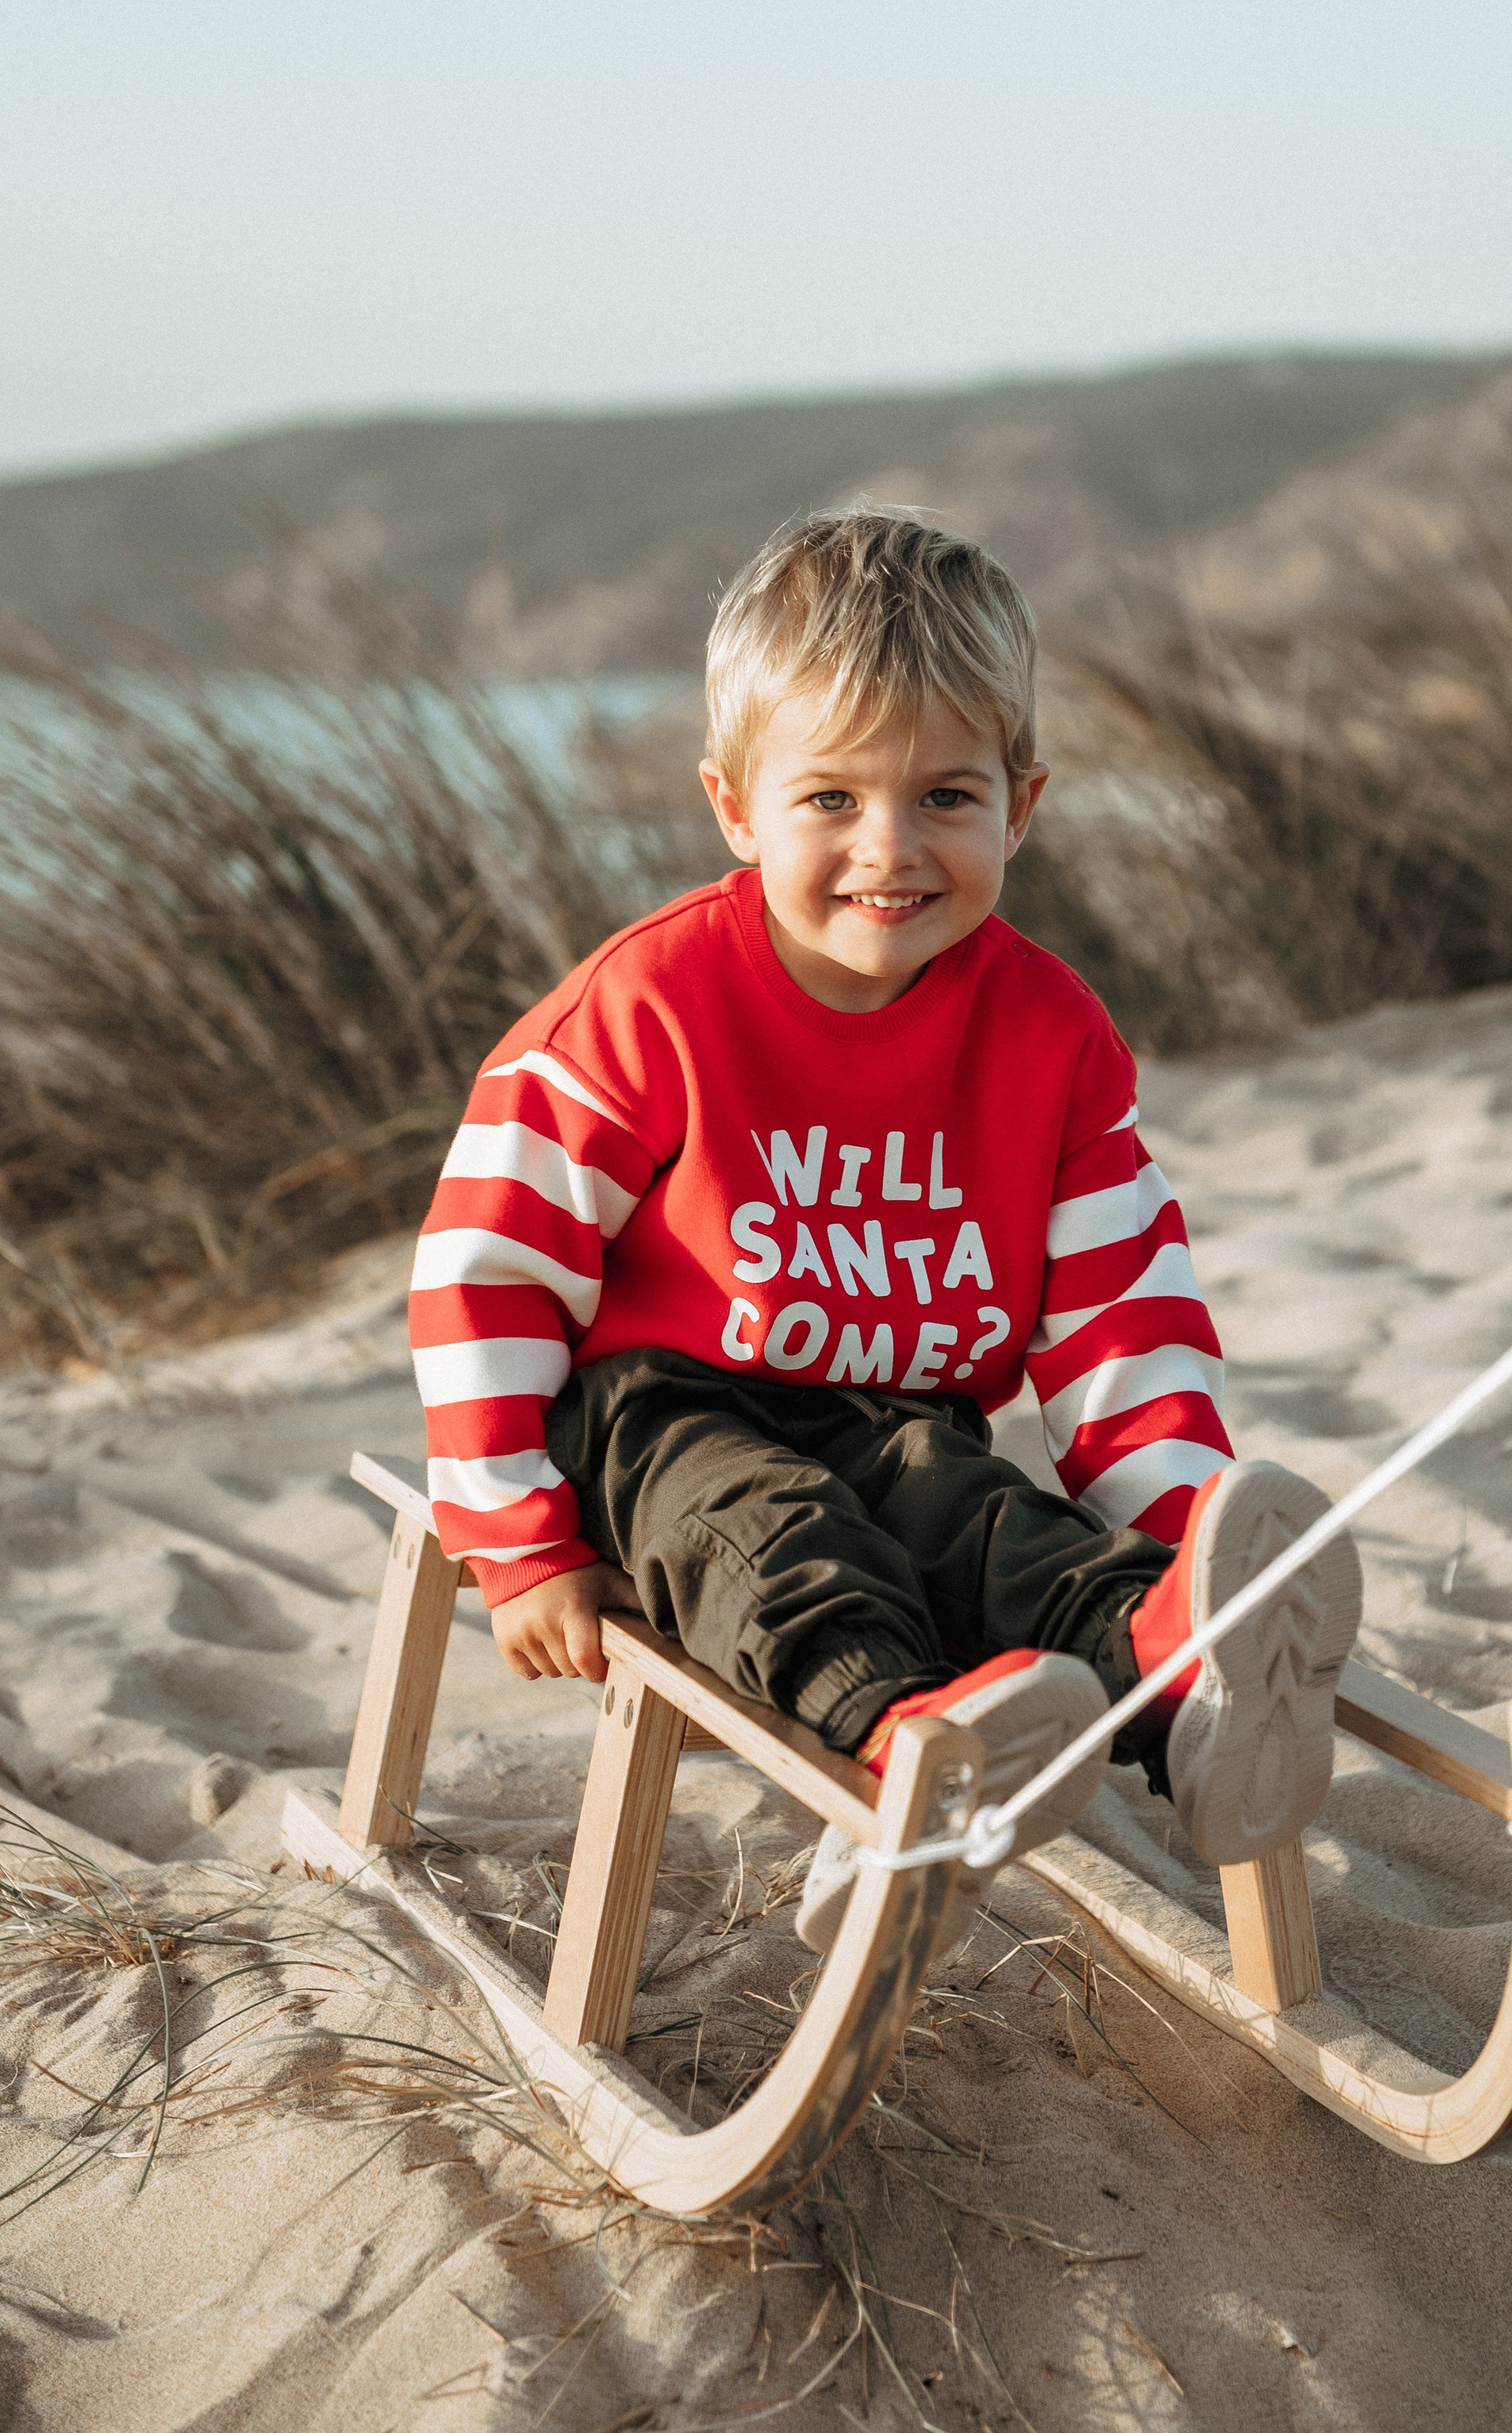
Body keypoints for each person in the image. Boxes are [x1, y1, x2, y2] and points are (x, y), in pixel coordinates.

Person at [409, 506, 1360, 1949]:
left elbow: (1121, 1308)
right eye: (831, 800)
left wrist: (1177, 1534)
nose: (891, 848)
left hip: (896, 1406)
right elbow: (488, 1266)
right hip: (656, 1411)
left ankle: (1182, 1686)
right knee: (781, 1540)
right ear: (736, 806)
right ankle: (912, 1748)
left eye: (947, 799)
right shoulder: (649, 1009)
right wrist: (519, 1543)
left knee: (981, 1520)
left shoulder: (1049, 1032)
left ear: (1020, 806)